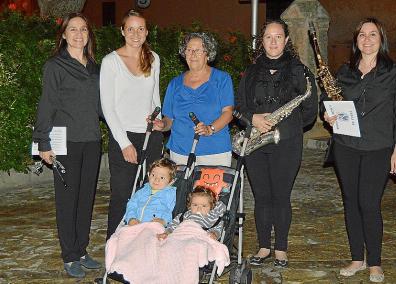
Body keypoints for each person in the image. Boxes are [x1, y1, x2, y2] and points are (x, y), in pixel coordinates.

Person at [322, 18, 396, 283]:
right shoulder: (344, 71)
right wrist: (328, 115)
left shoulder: (394, 72)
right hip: (346, 146)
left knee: (369, 204)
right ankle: (356, 259)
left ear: (381, 39)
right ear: (356, 40)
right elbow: (327, 99)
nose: (367, 39)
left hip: (379, 147)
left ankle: (374, 262)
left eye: (373, 34)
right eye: (363, 34)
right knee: (350, 202)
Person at [235, 20, 318, 268]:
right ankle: (263, 247)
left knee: (281, 196)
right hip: (256, 140)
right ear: (262, 41)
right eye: (268, 37)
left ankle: (281, 247)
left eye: (278, 37)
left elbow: (309, 111)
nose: (273, 41)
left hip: (286, 143)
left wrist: (285, 127)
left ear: (286, 40)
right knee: (261, 196)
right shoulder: (251, 71)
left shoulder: (299, 71)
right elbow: (239, 105)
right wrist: (254, 119)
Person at [32, 13, 102, 278]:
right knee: (67, 200)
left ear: (88, 34)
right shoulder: (55, 66)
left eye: (83, 29)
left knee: (86, 199)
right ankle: (70, 255)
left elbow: (103, 105)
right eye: (72, 29)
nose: (78, 34)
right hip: (65, 143)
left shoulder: (94, 67)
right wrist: (43, 141)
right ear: (63, 35)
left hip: (92, 140)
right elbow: (47, 103)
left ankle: (81, 250)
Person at [100, 9, 163, 240]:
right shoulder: (111, 62)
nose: (135, 34)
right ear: (122, 31)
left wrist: (159, 121)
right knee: (122, 195)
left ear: (146, 32)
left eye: (140, 29)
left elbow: (155, 99)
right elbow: (108, 108)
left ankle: (145, 245)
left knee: (152, 193)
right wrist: (125, 143)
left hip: (151, 136)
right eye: (130, 29)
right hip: (123, 138)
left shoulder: (153, 58)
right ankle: (114, 249)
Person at [152, 32, 234, 167]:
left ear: (207, 54)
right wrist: (161, 125)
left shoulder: (222, 79)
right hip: (179, 151)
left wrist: (210, 129)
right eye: (189, 50)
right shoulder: (175, 84)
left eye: (198, 50)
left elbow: (228, 113)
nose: (192, 54)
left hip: (214, 151)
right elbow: (169, 120)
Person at [157, 186, 226, 240]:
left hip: (200, 239)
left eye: (204, 206)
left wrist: (214, 234)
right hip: (182, 237)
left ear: (211, 206)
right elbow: (172, 226)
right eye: (195, 205)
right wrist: (167, 233)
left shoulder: (213, 217)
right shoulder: (184, 215)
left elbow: (218, 228)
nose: (199, 208)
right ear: (190, 205)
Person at [124, 158, 177, 227]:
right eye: (153, 175)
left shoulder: (169, 194)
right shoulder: (142, 191)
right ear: (148, 175)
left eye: (162, 177)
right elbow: (131, 204)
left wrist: (163, 221)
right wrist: (131, 218)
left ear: (170, 182)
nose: (156, 179)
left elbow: (169, 211)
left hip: (154, 225)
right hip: (135, 223)